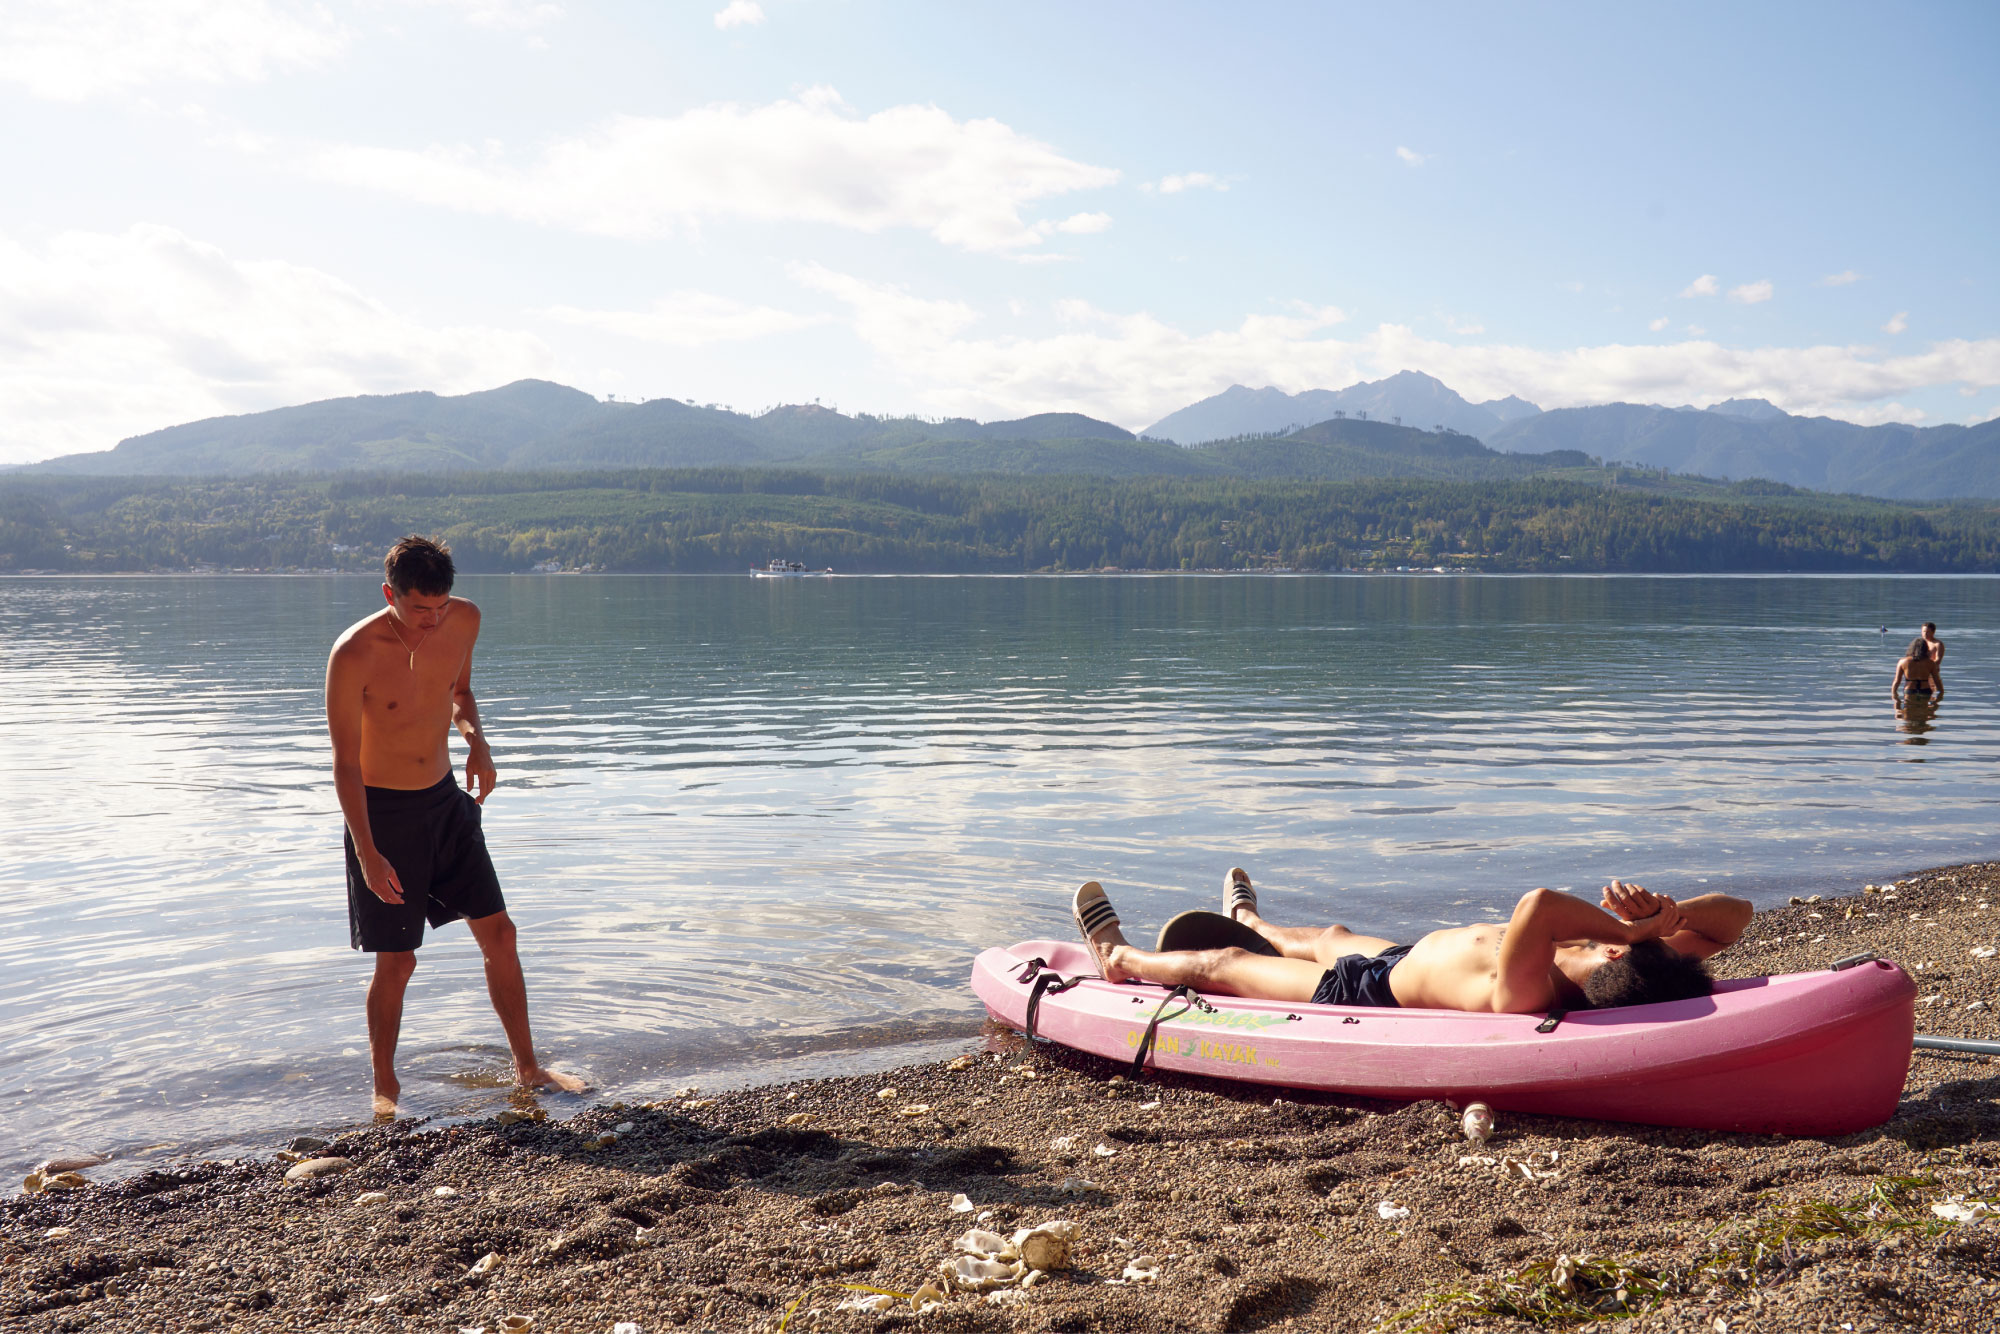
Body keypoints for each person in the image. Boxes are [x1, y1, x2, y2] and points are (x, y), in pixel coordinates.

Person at [326, 535, 584, 1116]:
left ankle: (528, 1067)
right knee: (398, 960)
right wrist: (367, 852)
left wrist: (477, 743)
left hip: (446, 803)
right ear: (390, 594)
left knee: (501, 933)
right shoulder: (353, 653)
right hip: (384, 815)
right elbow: (344, 763)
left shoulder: (463, 620)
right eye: (419, 610)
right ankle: (385, 1087)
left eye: (440, 607)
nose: (432, 620)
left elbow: (460, 693)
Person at [1071, 869, 1753, 1014]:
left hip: (1371, 991)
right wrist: (1671, 913)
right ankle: (1255, 919)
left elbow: (1537, 905)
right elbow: (1738, 916)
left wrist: (1635, 926)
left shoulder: (1529, 989)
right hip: (1407, 951)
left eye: (1629, 944)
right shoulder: (1632, 976)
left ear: (1615, 954)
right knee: (1328, 932)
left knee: (1226, 965)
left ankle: (1119, 957)